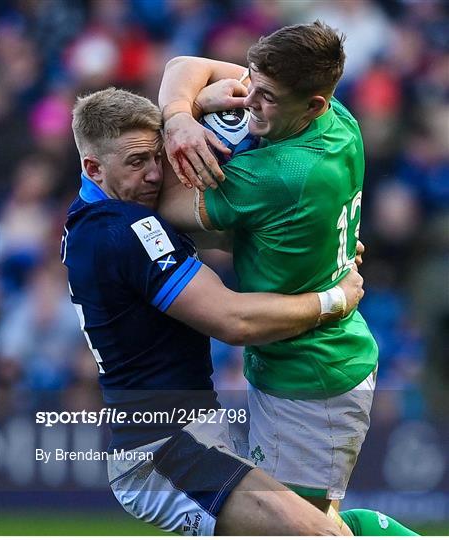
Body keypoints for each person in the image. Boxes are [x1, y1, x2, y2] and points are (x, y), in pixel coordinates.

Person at [63, 86, 367, 536]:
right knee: (320, 535)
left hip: (193, 436)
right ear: (93, 167)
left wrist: (320, 250)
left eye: (156, 157)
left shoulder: (98, 216)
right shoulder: (121, 231)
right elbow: (232, 320)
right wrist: (333, 299)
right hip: (161, 455)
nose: (154, 175)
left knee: (330, 526)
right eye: (135, 163)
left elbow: (238, 239)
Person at [157, 21, 379, 516]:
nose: (248, 99)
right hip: (312, 363)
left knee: (303, 529)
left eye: (267, 96)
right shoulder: (334, 119)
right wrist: (179, 117)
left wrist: (189, 111)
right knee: (314, 523)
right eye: (251, 82)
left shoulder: (286, 173)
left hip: (308, 376)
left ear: (314, 103)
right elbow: (185, 66)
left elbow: (157, 195)